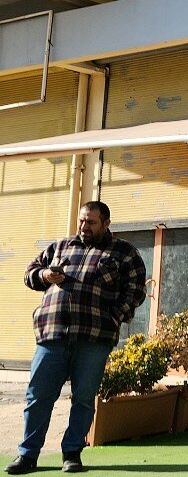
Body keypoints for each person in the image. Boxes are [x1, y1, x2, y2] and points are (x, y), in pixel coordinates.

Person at [5, 202, 146, 475]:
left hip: (94, 337)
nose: (84, 226)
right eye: (82, 221)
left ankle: (72, 454)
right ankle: (27, 455)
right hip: (52, 333)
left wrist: (114, 316)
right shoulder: (60, 247)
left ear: (106, 223)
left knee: (83, 398)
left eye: (91, 222)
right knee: (38, 396)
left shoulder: (124, 253)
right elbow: (30, 273)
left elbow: (136, 290)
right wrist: (45, 274)